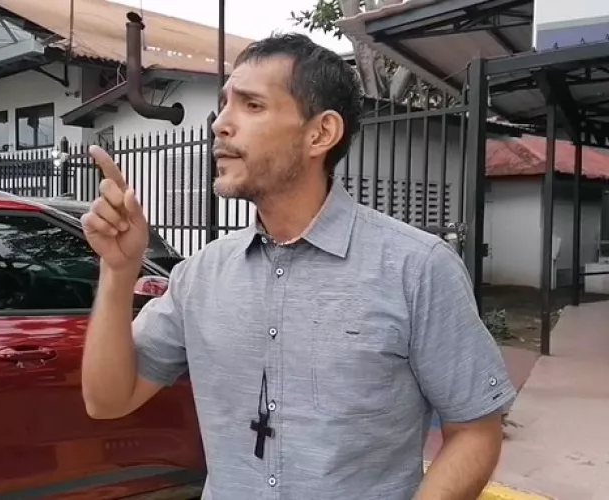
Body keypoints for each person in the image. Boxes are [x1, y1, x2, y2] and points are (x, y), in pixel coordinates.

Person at [80, 33, 516, 500]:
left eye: (251, 106)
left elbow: (475, 430)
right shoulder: (200, 276)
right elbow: (108, 400)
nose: (220, 124)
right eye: (224, 104)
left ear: (320, 134)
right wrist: (118, 272)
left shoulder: (416, 268)